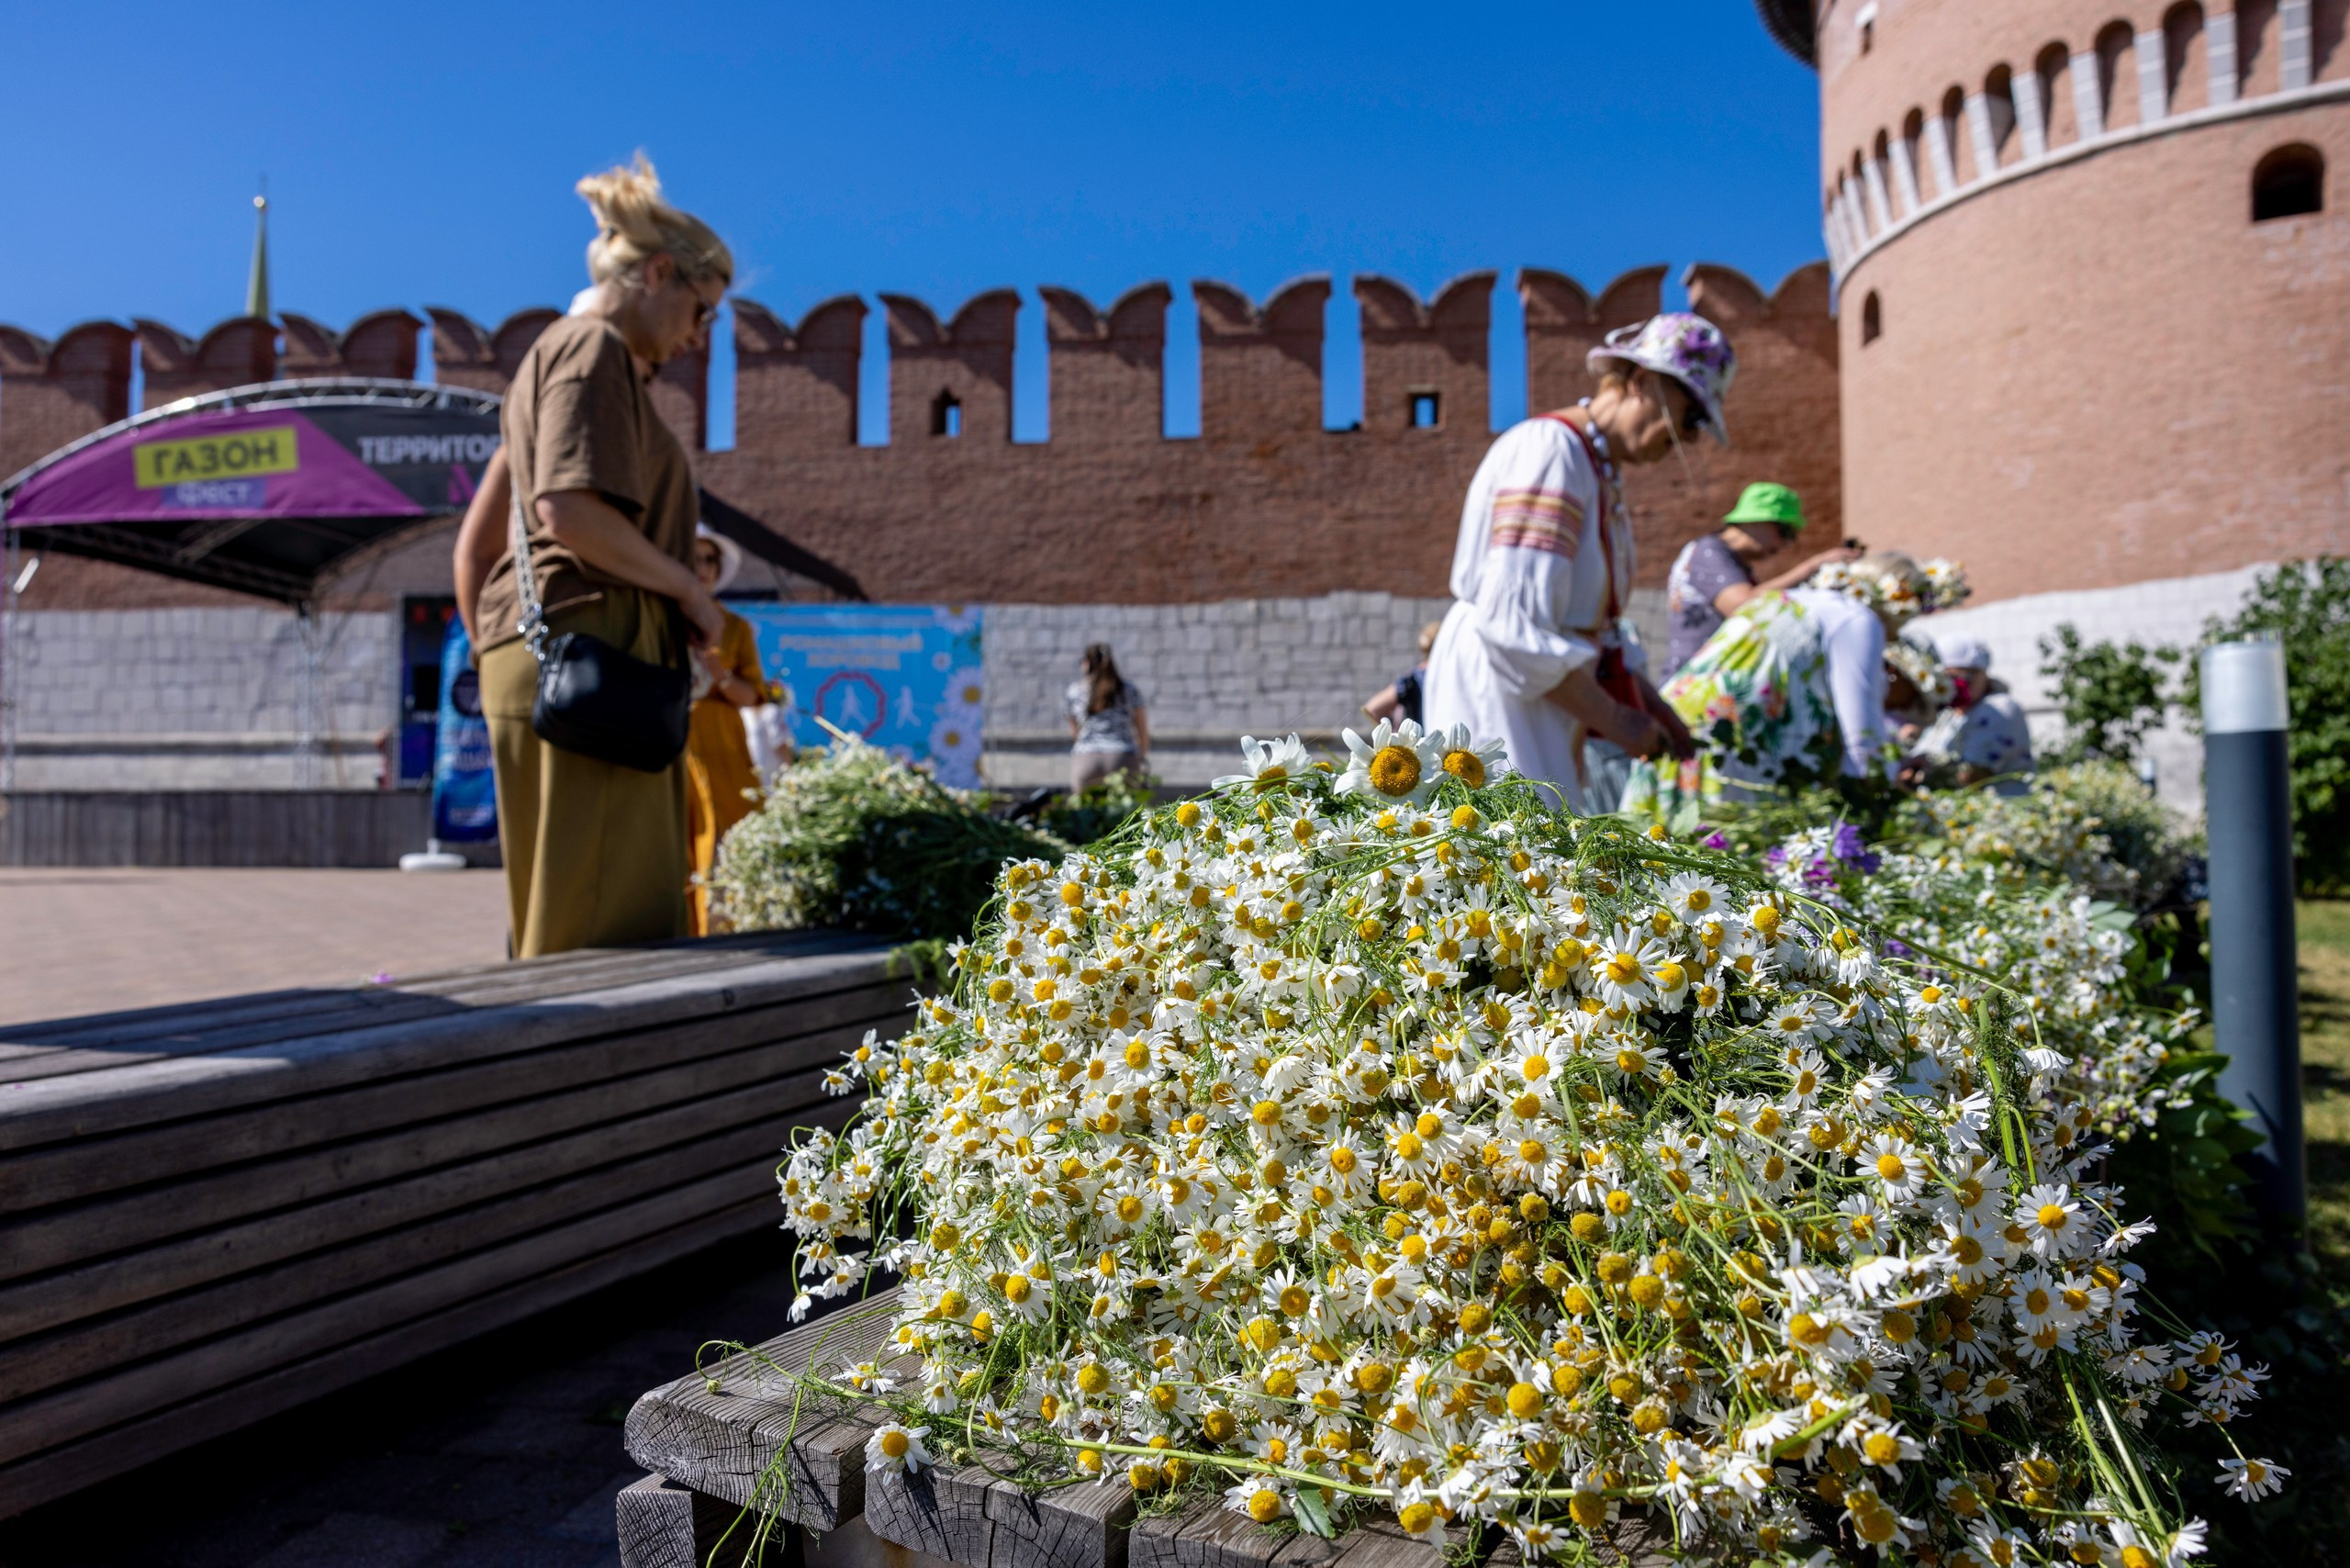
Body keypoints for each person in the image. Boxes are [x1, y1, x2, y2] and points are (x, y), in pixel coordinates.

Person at [468, 155, 732, 958]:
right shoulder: (593, 350)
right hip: (601, 661)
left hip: (560, 658)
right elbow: (568, 513)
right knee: (606, 942)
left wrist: (502, 653)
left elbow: (477, 542)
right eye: (703, 308)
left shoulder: (543, 361)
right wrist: (689, 591)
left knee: (556, 928)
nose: (699, 336)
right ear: (659, 272)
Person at [1422, 312, 1728, 811]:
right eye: (1691, 418)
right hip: (1505, 691)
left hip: (1538, 692)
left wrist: (1653, 708)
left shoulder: (1593, 466)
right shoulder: (1552, 452)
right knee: (1509, 849)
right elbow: (1511, 630)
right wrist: (1619, 721)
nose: (1689, 441)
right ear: (1642, 382)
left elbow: (1591, 629)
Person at [1621, 552, 1970, 829]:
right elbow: (1861, 732)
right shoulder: (1857, 619)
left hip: (1682, 713)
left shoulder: (1795, 598)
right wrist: (1878, 800)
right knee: (1714, 856)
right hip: (1732, 734)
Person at [1662, 482, 1861, 677]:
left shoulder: (1727, 560)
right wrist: (1812, 566)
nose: (1786, 544)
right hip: (1695, 686)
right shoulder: (1709, 552)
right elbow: (1744, 607)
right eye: (1785, 532)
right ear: (1755, 520)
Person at [683, 525, 769, 935]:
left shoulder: (735, 627)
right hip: (672, 739)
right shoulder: (660, 618)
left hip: (722, 743)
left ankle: (719, 930)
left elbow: (754, 695)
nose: (701, 569)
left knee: (724, 834)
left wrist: (719, 676)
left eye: (708, 560)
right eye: (693, 558)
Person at [1914, 633, 2034, 790]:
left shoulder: (2000, 708)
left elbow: (1970, 776)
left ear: (1980, 674)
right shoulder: (1949, 714)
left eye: (1955, 677)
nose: (1949, 686)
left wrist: (1917, 773)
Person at [1066, 644, 1148, 792]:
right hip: (1123, 756)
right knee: (1128, 812)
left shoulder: (1075, 691)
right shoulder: (1129, 690)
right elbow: (1141, 730)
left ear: (1086, 664)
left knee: (1082, 812)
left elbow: (1075, 733)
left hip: (1087, 757)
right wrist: (1141, 756)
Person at [1360, 622, 1443, 726]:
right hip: (1441, 740)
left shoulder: (1414, 677)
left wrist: (1392, 737)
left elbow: (1372, 709)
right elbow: (1372, 709)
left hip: (1419, 740)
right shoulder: (1417, 679)